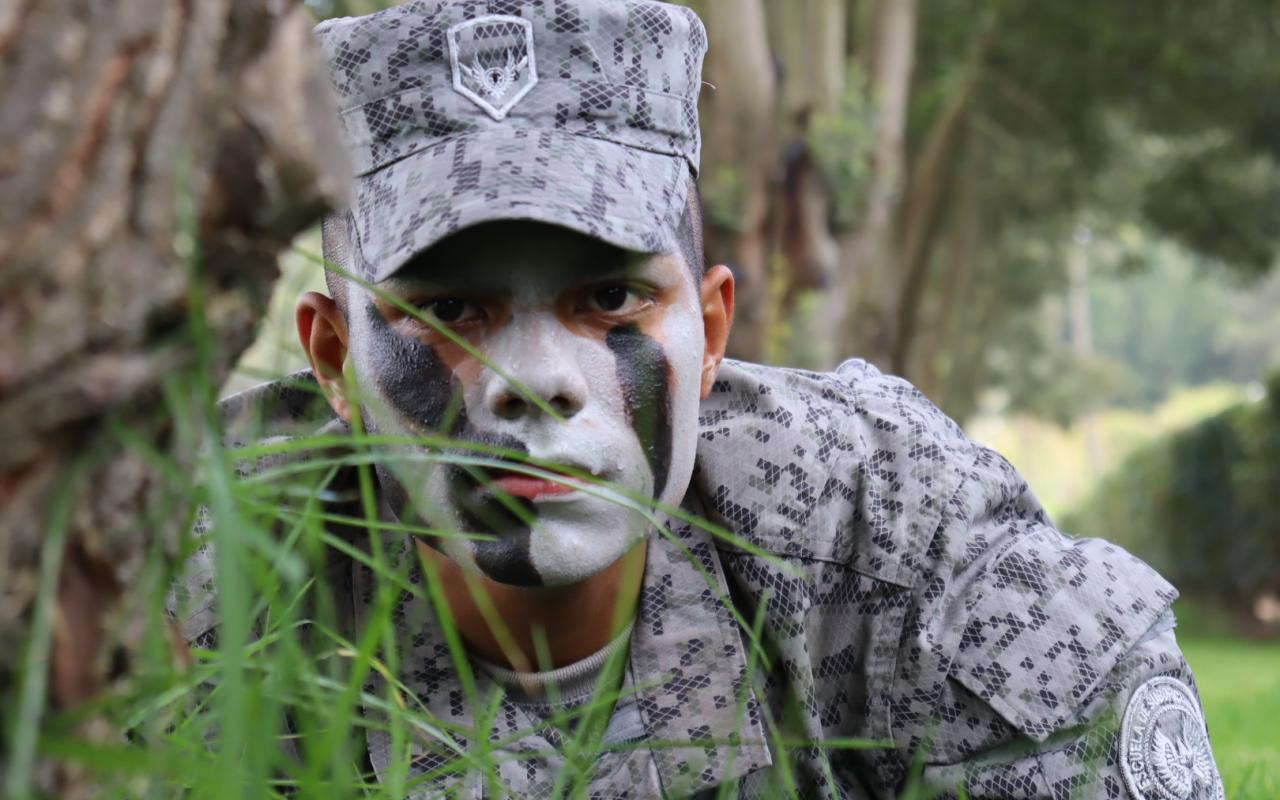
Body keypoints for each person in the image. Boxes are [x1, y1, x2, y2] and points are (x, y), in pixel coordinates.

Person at [171, 1, 1225, 797]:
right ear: (330, 359)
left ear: (711, 329)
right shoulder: (188, 582)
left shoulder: (881, 527)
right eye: (450, 309)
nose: (535, 378)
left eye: (609, 298)